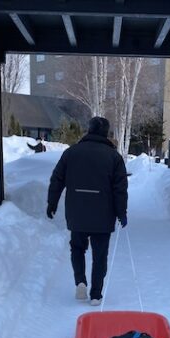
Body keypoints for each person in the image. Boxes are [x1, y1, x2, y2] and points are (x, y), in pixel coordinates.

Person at [47, 117, 128, 306]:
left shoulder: (71, 153)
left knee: (77, 248)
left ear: (88, 130)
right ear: (106, 133)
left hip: (77, 211)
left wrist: (52, 203)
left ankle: (80, 281)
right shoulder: (113, 157)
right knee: (100, 255)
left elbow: (57, 179)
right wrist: (121, 212)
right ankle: (96, 294)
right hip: (103, 213)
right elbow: (120, 188)